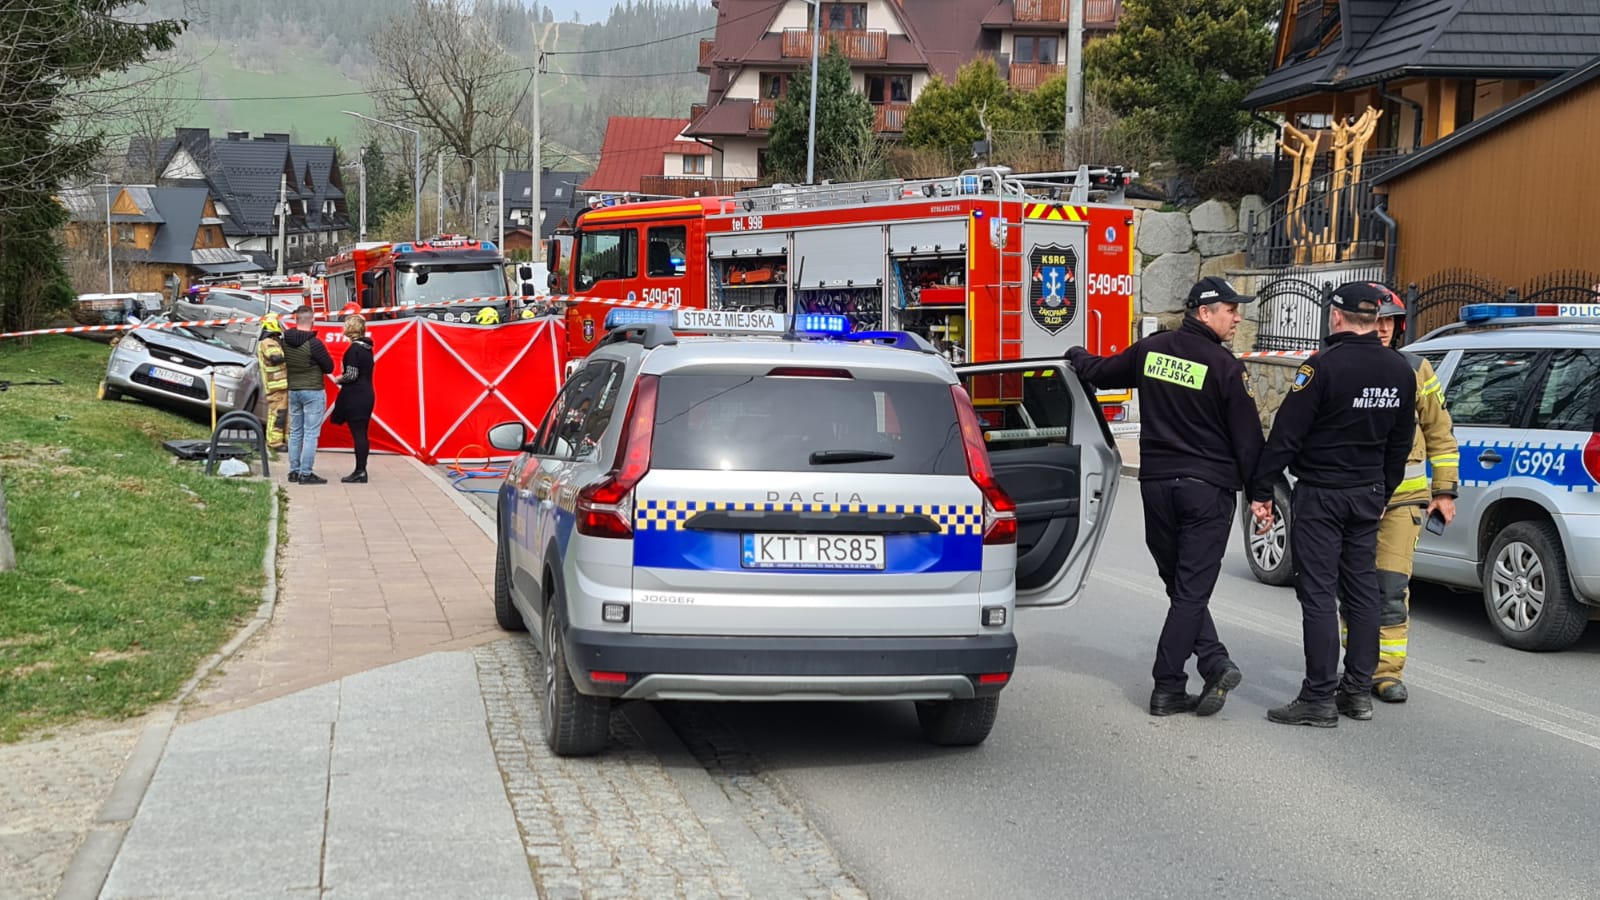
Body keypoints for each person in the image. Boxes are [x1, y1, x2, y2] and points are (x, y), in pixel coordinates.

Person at [1066, 276, 1264, 717]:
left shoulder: (1152, 349)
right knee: (1191, 591)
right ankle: (1168, 684)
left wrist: (1076, 356)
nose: (1237, 317)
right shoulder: (1226, 367)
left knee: (1179, 584)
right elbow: (1248, 441)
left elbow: (1100, 372)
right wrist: (1261, 494)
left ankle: (1213, 661)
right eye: (1230, 310)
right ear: (1204, 312)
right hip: (1206, 491)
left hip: (1158, 488)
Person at [1250, 282, 1416, 727]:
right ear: (1374, 319)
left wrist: (1262, 490)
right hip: (1368, 495)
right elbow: (1400, 443)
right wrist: (1385, 489)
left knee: (1319, 593)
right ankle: (1357, 692)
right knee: (1363, 592)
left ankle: (1319, 697)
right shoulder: (1401, 370)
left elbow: (1287, 435)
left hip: (1322, 494)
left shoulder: (1321, 367)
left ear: (1337, 317)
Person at [1366, 289, 1459, 702]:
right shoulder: (1344, 364)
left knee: (1389, 586)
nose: (1383, 328)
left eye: (1391, 321)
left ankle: (1386, 673)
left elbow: (1441, 433)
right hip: (1354, 498)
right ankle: (1357, 664)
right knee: (1355, 587)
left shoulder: (1417, 369)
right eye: (1376, 319)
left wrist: (1444, 491)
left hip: (1404, 500)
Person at [281, 305, 334, 485]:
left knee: (295, 432)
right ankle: (306, 473)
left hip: (293, 390)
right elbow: (329, 367)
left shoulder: (285, 341)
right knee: (311, 433)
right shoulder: (314, 344)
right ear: (312, 320)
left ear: (296, 320)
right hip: (313, 391)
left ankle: (293, 471)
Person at [330, 314, 376, 484]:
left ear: (350, 329)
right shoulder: (367, 348)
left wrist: (338, 379)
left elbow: (351, 375)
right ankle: (361, 469)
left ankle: (360, 471)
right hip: (367, 394)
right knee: (362, 433)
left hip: (355, 396)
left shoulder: (353, 350)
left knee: (358, 434)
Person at [256, 313, 290, 452]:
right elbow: (276, 358)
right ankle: (274, 442)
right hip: (275, 386)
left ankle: (285, 439)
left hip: (281, 385)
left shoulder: (273, 341)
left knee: (284, 415)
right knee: (278, 414)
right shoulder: (268, 342)